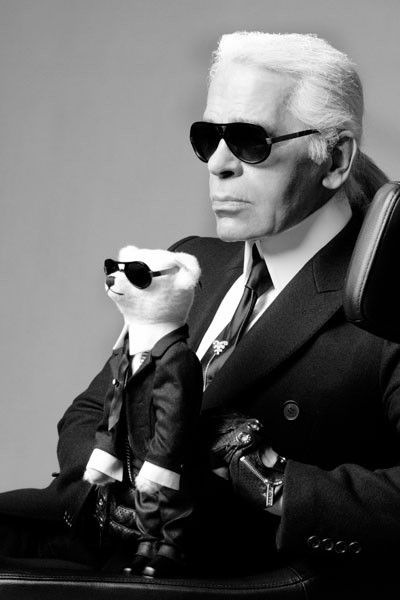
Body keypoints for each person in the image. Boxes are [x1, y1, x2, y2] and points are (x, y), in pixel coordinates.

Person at [0, 31, 398, 593]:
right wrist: (127, 489)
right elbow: (91, 410)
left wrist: (268, 478)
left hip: (230, 581)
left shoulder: (385, 299)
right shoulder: (194, 262)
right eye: (208, 137)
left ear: (333, 159)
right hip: (102, 542)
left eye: (250, 141)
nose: (218, 164)